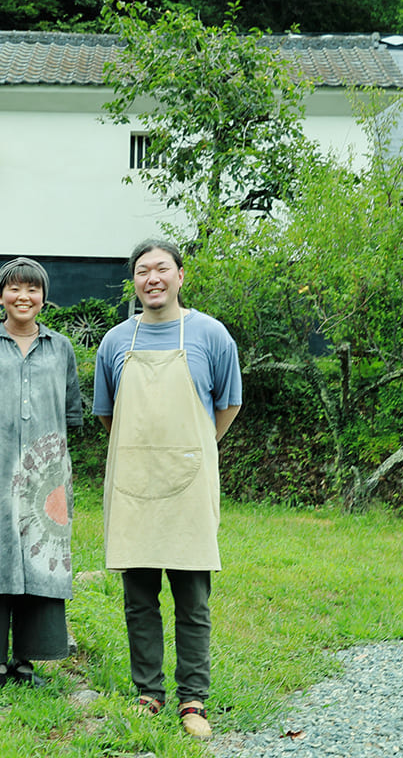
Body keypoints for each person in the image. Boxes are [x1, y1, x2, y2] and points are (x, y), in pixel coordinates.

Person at [92, 239, 242, 739]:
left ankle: (193, 699)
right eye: (141, 271)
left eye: (161, 269)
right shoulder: (115, 341)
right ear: (133, 282)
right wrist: (145, 455)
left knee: (192, 598)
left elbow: (228, 405)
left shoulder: (210, 335)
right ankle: (148, 693)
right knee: (139, 597)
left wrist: (193, 450)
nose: (151, 278)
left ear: (181, 275)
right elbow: (109, 415)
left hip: (189, 483)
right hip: (133, 483)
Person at [0, 257, 83, 689]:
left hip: (46, 472)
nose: (24, 297)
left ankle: (28, 659)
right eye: (15, 289)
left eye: (33, 290)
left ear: (43, 297)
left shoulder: (60, 348)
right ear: (0, 296)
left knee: (40, 553)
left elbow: (70, 411)